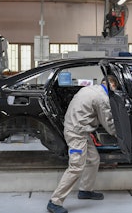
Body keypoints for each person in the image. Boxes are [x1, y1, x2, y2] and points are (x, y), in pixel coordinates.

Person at [47, 76, 118, 213]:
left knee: (93, 160)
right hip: (76, 134)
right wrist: (120, 135)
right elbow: (108, 123)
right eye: (115, 88)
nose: (115, 91)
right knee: (76, 167)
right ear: (112, 84)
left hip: (80, 131)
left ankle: (85, 190)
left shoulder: (89, 89)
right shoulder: (102, 98)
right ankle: (54, 201)